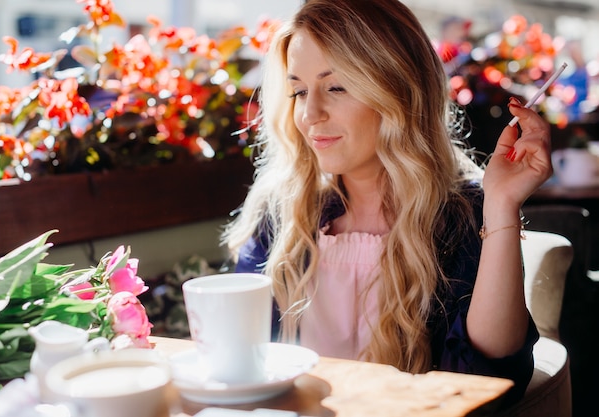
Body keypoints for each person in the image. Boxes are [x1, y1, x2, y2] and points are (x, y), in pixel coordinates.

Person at [221, 0, 552, 406]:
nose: (309, 113)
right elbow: (237, 363)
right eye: (299, 91)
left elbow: (492, 375)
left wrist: (501, 206)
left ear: (399, 90)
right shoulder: (283, 212)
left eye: (336, 87)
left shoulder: (462, 213)